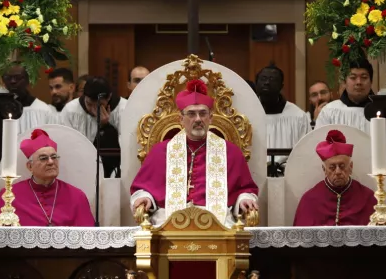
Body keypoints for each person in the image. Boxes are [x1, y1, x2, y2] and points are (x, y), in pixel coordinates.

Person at [130, 79, 259, 226]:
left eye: (203, 113)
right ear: (181, 119)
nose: (198, 119)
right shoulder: (161, 151)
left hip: (218, 223)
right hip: (168, 221)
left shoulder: (230, 152)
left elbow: (244, 188)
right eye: (191, 114)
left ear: (210, 118)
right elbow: (143, 188)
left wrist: (245, 200)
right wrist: (145, 198)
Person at [0, 129, 94, 226]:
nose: (51, 162)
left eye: (54, 157)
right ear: (30, 166)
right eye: (43, 158)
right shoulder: (9, 196)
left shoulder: (77, 196)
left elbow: (88, 237)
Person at [292, 130, 376, 226]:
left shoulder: (367, 197)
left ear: (351, 167)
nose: (338, 172)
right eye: (332, 167)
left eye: (342, 166)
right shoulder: (310, 200)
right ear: (324, 169)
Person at [256, 64, 309, 173]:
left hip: (288, 176)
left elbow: (305, 152)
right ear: (256, 83)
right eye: (263, 79)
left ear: (281, 85)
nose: (267, 83)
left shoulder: (297, 116)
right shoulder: (246, 112)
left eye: (272, 79)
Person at [315, 59, 375, 132]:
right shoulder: (329, 111)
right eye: (353, 77)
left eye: (364, 77)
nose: (359, 82)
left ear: (371, 82)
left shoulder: (380, 110)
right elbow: (319, 141)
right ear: (344, 82)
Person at [5, 65, 57, 134]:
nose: (13, 81)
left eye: (18, 77)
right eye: (8, 78)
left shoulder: (43, 110)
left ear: (28, 80)